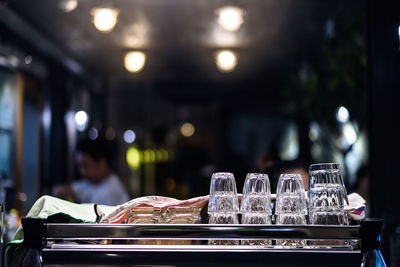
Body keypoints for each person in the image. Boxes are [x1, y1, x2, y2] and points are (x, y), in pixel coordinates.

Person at [53, 138, 129, 206]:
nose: (82, 172)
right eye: (80, 166)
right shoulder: (92, 182)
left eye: (85, 166)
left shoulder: (111, 191)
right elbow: (69, 190)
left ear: (102, 163)